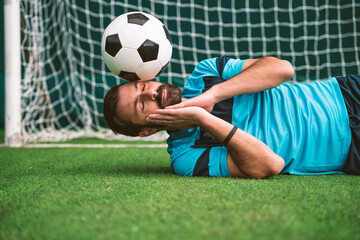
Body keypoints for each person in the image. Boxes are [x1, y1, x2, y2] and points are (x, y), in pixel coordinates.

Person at [103, 56, 360, 178]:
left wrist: (212, 97)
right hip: (349, 147)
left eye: (142, 87)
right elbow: (270, 165)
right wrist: (203, 118)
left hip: (345, 92)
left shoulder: (206, 72)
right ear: (146, 131)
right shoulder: (185, 157)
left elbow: (283, 69)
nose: (151, 93)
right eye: (140, 105)